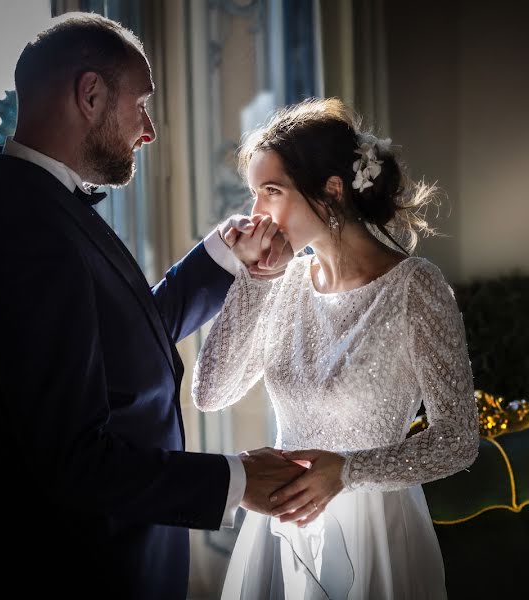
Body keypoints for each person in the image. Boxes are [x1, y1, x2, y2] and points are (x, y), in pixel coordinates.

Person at [0, 13, 304, 600]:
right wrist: (237, 479)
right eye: (141, 104)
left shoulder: (41, 207)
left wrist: (222, 259)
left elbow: (119, 345)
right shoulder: (24, 229)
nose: (149, 130)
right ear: (90, 95)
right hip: (72, 571)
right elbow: (72, 459)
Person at [192, 98, 480, 599]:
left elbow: (458, 439)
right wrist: (257, 280)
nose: (257, 212)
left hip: (376, 532)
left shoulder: (416, 289)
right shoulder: (282, 282)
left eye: (272, 191)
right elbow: (210, 392)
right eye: (254, 194)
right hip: (281, 530)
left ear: (331, 191)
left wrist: (349, 471)